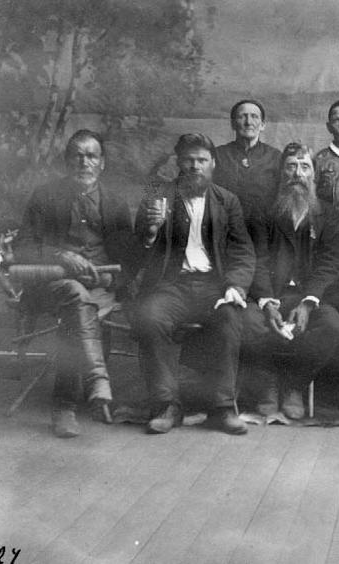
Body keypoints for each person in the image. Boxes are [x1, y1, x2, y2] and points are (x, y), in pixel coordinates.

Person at [132, 133, 255, 435]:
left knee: (230, 317)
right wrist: (151, 231)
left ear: (213, 164)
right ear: (179, 162)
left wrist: (235, 287)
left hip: (214, 286)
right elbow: (136, 249)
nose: (195, 166)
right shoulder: (158, 197)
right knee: (150, 316)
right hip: (171, 286)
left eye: (202, 160)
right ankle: (166, 406)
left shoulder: (227, 201)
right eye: (189, 160)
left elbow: (242, 252)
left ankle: (222, 408)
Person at [15, 129, 133, 438]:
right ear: (67, 161)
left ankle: (68, 404)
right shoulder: (45, 196)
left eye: (91, 156)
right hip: (51, 284)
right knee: (75, 296)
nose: (84, 162)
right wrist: (60, 255)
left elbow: (128, 258)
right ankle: (83, 392)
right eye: (77, 156)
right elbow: (23, 247)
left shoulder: (115, 203)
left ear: (102, 163)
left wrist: (109, 278)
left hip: (100, 287)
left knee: (81, 304)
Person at [242, 142, 339, 419]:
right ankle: (267, 384)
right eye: (291, 166)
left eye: (304, 167)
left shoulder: (327, 214)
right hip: (269, 294)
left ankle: (293, 386)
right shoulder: (262, 211)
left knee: (332, 325)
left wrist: (309, 303)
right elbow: (257, 259)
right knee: (248, 322)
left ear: (314, 175)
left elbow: (330, 263)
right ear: (281, 173)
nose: (298, 173)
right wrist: (266, 302)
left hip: (307, 296)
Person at [212, 99, 281, 220]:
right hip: (225, 225)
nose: (249, 122)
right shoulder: (217, 155)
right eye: (242, 117)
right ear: (233, 124)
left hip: (263, 227)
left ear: (263, 125)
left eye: (254, 117)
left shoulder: (275, 156)